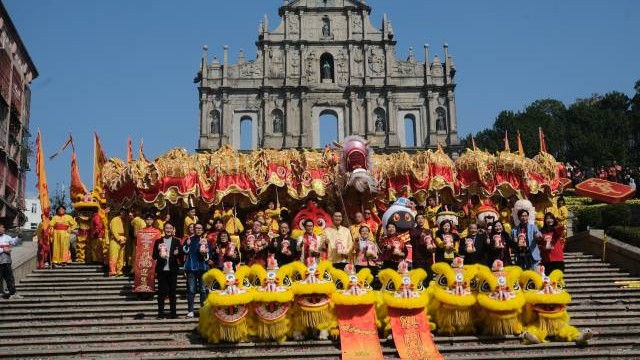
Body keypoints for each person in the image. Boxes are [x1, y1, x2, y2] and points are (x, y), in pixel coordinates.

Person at [152, 222, 182, 319]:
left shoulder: (177, 241)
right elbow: (154, 256)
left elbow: (181, 256)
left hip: (172, 270)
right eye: (167, 228)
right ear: (164, 229)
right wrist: (158, 252)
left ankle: (173, 313)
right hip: (162, 270)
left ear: (173, 229)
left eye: (170, 228)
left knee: (172, 293)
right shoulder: (158, 241)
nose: (168, 230)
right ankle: (160, 314)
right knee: (161, 293)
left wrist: (178, 253)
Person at [183, 223, 210, 318]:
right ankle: (190, 310)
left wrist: (205, 253)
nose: (198, 230)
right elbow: (185, 251)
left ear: (202, 230)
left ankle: (203, 309)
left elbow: (208, 255)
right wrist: (187, 244)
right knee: (191, 290)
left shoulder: (205, 240)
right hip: (191, 268)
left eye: (200, 228)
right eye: (196, 228)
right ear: (193, 229)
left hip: (203, 268)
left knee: (203, 290)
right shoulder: (189, 239)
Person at [0, 223, 23, 299]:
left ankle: (13, 293)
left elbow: (15, 242)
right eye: (2, 227)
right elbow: (4, 249)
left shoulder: (7, 237)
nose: (4, 229)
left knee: (9, 278)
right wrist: (3, 249)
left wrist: (19, 235)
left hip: (6, 261)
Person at [108, 208, 129, 277]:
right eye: (123, 212)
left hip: (123, 239)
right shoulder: (115, 219)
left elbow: (126, 231)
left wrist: (125, 239)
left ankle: (119, 270)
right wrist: (119, 239)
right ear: (120, 212)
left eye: (125, 212)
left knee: (121, 256)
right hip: (115, 240)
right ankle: (112, 271)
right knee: (114, 255)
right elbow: (113, 230)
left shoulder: (125, 221)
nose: (124, 214)